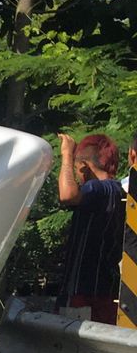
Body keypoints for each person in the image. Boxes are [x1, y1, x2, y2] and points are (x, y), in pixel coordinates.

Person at [56, 132, 124, 324]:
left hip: (81, 292)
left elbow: (67, 195)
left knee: (70, 350)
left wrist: (67, 156)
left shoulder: (96, 188)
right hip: (107, 292)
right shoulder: (120, 191)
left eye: (76, 170)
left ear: (84, 166)